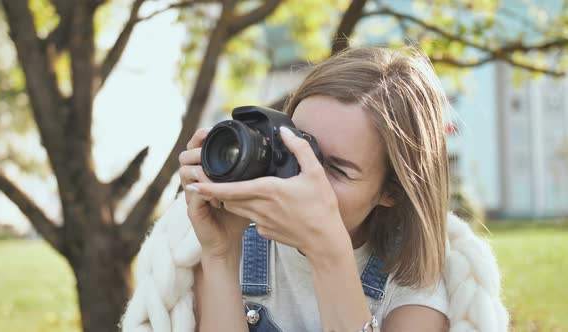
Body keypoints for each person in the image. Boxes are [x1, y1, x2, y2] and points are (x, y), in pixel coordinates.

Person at [120, 47, 509, 332]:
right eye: (296, 146)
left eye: (336, 168)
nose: (303, 178)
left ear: (393, 191)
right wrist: (220, 256)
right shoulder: (228, 234)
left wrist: (329, 254)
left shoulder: (421, 277)